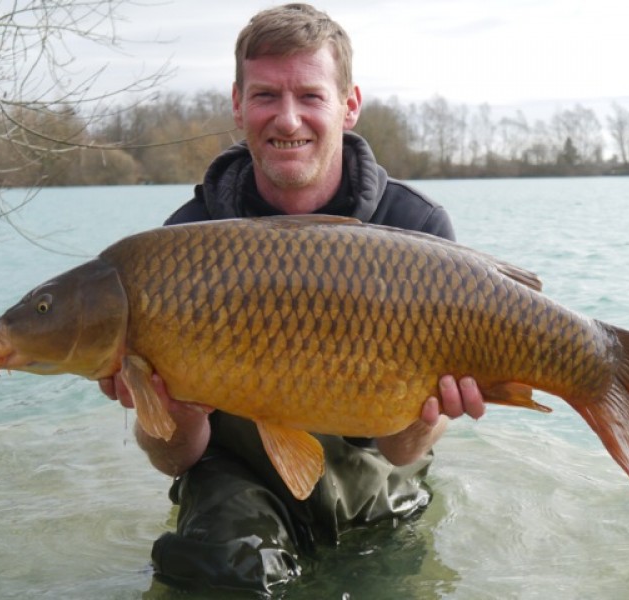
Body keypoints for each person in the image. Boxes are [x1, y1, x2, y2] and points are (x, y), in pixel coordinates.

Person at [99, 3, 486, 593]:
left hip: (373, 461)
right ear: (237, 104)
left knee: (384, 571)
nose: (287, 119)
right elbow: (176, 459)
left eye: (310, 96)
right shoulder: (181, 240)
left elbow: (404, 449)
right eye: (264, 97)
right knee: (219, 570)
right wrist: (173, 417)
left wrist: (431, 413)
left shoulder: (414, 227)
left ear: (349, 105)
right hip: (236, 474)